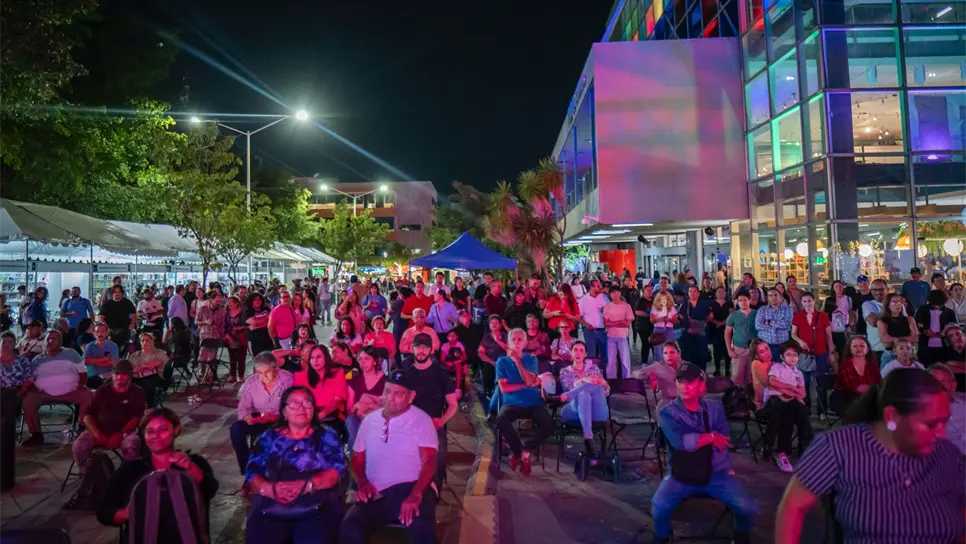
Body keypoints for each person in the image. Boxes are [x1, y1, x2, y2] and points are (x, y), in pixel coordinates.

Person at [775, 368, 966, 543]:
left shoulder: (947, 455)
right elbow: (793, 506)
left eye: (944, 422)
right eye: (931, 425)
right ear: (891, 416)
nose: (942, 433)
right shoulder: (841, 447)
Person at [651, 362, 757, 544]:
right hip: (681, 475)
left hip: (716, 473)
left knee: (748, 508)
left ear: (701, 386)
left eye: (690, 382)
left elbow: (723, 439)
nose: (684, 387)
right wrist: (710, 437)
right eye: (680, 382)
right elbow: (680, 443)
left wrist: (704, 442)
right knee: (658, 507)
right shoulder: (667, 411)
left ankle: (740, 535)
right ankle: (661, 538)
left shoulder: (714, 408)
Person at [340, 369, 439, 544]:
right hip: (376, 491)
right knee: (350, 528)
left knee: (422, 529)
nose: (390, 398)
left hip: (412, 488)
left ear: (411, 396)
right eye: (387, 391)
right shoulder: (369, 421)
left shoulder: (422, 420)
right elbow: (357, 458)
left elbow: (429, 461)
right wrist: (362, 482)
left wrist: (416, 494)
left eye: (398, 393)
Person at [97, 408, 219, 543]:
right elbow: (104, 512)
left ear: (176, 430)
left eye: (163, 430)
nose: (156, 436)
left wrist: (190, 468)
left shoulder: (194, 463)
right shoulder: (132, 469)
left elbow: (210, 490)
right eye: (150, 431)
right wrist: (128, 512)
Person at [244, 386, 345, 544]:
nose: (301, 408)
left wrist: (307, 485)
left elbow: (337, 470)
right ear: (284, 412)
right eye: (294, 404)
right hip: (274, 498)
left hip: (316, 499)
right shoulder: (269, 437)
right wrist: (270, 489)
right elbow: (252, 472)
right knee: (259, 534)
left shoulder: (327, 436)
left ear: (314, 409)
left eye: (307, 403)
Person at [494, 328, 553, 476]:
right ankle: (520, 452)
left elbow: (529, 379)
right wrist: (525, 384)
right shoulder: (501, 362)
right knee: (501, 420)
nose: (516, 342)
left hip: (533, 402)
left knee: (550, 424)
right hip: (512, 402)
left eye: (520, 339)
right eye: (513, 339)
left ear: (525, 342)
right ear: (508, 342)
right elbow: (504, 389)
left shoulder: (531, 359)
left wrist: (517, 361)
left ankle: (526, 448)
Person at [20, 330, 92, 447]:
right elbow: (30, 379)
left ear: (60, 342)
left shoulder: (72, 354)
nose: (50, 341)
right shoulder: (37, 359)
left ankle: (82, 430)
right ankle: (36, 435)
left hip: (71, 391)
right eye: (48, 338)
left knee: (88, 395)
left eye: (54, 339)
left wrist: (82, 384)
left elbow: (83, 373)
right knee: (28, 400)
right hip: (44, 393)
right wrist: (32, 388)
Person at [72, 359, 144, 472]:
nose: (119, 377)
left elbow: (136, 417)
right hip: (97, 431)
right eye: (117, 374)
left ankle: (125, 475)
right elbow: (86, 415)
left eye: (124, 374)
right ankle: (89, 475)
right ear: (112, 375)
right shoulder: (102, 391)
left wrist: (120, 434)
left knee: (132, 444)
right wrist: (97, 433)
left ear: (130, 375)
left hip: (125, 432)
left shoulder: (137, 392)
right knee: (78, 446)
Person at [231, 353, 294, 474]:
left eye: (268, 371)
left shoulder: (287, 380)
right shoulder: (252, 382)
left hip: (280, 420)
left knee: (266, 442)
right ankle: (247, 469)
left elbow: (293, 407)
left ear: (276, 368)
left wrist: (276, 417)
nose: (263, 376)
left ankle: (272, 471)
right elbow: (243, 407)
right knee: (236, 428)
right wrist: (246, 416)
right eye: (259, 372)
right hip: (259, 419)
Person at [760, 342, 813, 473]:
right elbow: (773, 382)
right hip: (774, 400)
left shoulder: (799, 373)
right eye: (788, 355)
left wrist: (789, 392)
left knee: (802, 411)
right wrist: (790, 388)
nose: (792, 357)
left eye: (795, 355)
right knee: (784, 411)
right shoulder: (777, 367)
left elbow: (802, 393)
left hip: (790, 400)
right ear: (782, 357)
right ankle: (781, 453)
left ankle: (806, 445)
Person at [556, 341, 609, 457]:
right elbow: (568, 387)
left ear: (585, 354)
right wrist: (582, 380)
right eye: (575, 350)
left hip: (596, 411)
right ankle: (589, 437)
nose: (578, 353)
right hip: (574, 410)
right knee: (583, 394)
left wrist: (604, 383)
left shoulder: (594, 369)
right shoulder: (565, 371)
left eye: (581, 350)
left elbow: (605, 393)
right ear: (571, 353)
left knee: (597, 389)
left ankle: (588, 439)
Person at [790, 292, 835, 414]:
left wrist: (831, 352)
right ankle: (805, 408)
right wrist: (800, 342)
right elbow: (793, 334)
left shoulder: (823, 316)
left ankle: (822, 410)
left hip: (820, 353)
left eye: (809, 301)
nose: (807, 304)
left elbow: (828, 335)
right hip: (804, 354)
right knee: (804, 383)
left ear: (814, 301)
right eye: (804, 301)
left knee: (820, 382)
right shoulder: (798, 316)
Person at [0, 331, 32, 490]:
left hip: (14, 394)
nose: (6, 345)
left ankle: (5, 480)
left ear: (15, 345)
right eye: (3, 342)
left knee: (6, 432)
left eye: (10, 342)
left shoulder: (22, 361)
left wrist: (21, 392)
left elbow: (29, 379)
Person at [294, 345, 348, 429]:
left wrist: (320, 415)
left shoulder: (338, 374)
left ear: (326, 358)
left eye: (318, 357)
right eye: (312, 358)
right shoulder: (301, 377)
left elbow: (338, 400)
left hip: (331, 416)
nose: (315, 361)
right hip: (308, 416)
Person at [830, 336, 882, 415]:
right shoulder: (845, 365)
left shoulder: (873, 365)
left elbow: (879, 383)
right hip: (845, 397)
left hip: (867, 397)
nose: (858, 348)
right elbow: (852, 387)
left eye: (862, 346)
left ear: (867, 349)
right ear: (850, 350)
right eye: (855, 346)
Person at [346, 346, 386, 447]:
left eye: (367, 358)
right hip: (358, 418)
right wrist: (356, 406)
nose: (363, 362)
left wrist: (371, 406)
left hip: (379, 418)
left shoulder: (386, 381)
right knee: (351, 421)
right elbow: (349, 411)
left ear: (375, 361)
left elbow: (391, 407)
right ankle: (357, 457)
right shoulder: (353, 382)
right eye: (360, 359)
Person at [928, 364, 966, 455]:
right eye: (937, 381)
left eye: (945, 381)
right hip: (950, 460)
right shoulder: (921, 412)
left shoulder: (963, 400)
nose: (941, 385)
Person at [915, 289, 956, 367]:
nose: (937, 306)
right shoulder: (922, 310)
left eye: (939, 304)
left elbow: (954, 326)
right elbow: (916, 323)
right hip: (925, 347)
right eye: (934, 304)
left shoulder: (950, 312)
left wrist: (946, 331)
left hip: (944, 347)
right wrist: (924, 331)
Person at [877, 292, 919, 366]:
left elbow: (915, 338)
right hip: (890, 354)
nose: (898, 304)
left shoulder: (909, 319)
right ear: (888, 305)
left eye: (899, 302)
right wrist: (906, 339)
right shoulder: (882, 321)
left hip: (908, 354)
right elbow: (885, 339)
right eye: (894, 302)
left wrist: (895, 339)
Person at [127, 332, 168, 408]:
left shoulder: (159, 352)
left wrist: (142, 367)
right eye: (142, 340)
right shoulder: (135, 355)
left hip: (156, 376)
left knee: (147, 382)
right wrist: (134, 370)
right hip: (137, 376)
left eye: (147, 340)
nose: (145, 342)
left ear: (152, 341)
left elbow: (157, 362)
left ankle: (150, 406)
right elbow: (128, 367)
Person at [725, 292, 757, 385]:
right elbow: (727, 333)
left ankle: (749, 396)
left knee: (752, 376)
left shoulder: (756, 314)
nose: (743, 302)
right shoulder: (733, 315)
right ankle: (736, 397)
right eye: (740, 301)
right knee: (737, 375)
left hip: (753, 349)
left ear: (749, 300)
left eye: (745, 300)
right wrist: (729, 349)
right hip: (738, 349)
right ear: (737, 302)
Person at [195, 291, 227, 384]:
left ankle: (209, 377)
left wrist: (222, 336)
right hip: (205, 335)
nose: (218, 302)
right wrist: (205, 322)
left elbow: (222, 325)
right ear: (211, 300)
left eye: (219, 300)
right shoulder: (203, 308)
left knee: (211, 358)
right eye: (216, 300)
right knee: (202, 357)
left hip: (215, 335)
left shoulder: (221, 311)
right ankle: (201, 376)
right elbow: (196, 321)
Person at [755, 287, 793, 362]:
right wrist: (778, 324)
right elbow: (758, 326)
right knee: (766, 369)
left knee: (781, 370)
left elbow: (787, 325)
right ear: (767, 298)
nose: (773, 297)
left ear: (780, 296)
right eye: (770, 295)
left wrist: (769, 322)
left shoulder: (787, 310)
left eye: (775, 295)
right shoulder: (762, 310)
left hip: (782, 346)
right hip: (765, 346)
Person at [680, 285, 711, 371]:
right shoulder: (685, 304)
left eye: (694, 291)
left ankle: (701, 373)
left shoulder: (703, 304)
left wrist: (701, 324)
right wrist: (687, 325)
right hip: (688, 333)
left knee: (701, 354)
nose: (692, 293)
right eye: (690, 291)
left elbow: (710, 316)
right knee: (689, 354)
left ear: (698, 293)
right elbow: (680, 315)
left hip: (701, 334)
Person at [99, 285, 136, 354]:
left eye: (119, 292)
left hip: (125, 329)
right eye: (115, 292)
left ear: (122, 293)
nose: (117, 294)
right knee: (111, 350)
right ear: (112, 294)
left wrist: (132, 323)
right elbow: (101, 317)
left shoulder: (128, 303)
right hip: (111, 330)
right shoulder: (107, 304)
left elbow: (133, 314)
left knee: (124, 350)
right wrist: (105, 326)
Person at [577, 280, 608, 361]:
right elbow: (579, 317)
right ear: (591, 287)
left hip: (602, 330)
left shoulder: (604, 297)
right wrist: (586, 325)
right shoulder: (583, 300)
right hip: (589, 331)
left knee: (605, 354)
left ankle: (604, 372)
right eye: (597, 286)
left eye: (599, 286)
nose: (600, 288)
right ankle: (593, 372)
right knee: (592, 355)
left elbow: (609, 311)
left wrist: (604, 310)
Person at [477, 315, 507, 400]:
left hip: (504, 361)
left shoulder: (506, 336)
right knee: (487, 368)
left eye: (496, 323)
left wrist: (498, 341)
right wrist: (492, 362)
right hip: (491, 362)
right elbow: (481, 353)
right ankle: (489, 391)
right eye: (491, 323)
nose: (493, 325)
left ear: (500, 325)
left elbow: (509, 349)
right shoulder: (486, 338)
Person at [83, 322, 119, 390]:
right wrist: (104, 359)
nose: (100, 334)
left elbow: (113, 363)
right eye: (97, 332)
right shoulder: (89, 346)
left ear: (107, 333)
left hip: (108, 376)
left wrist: (92, 361)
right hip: (92, 376)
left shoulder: (113, 346)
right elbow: (85, 361)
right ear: (94, 333)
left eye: (102, 331)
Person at [650, 291, 678, 363]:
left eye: (665, 299)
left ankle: (669, 368)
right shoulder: (655, 308)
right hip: (658, 330)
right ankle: (658, 368)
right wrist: (659, 319)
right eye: (661, 299)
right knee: (658, 352)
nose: (663, 301)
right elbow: (652, 320)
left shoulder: (672, 308)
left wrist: (669, 320)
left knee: (669, 350)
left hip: (669, 330)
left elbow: (675, 321)